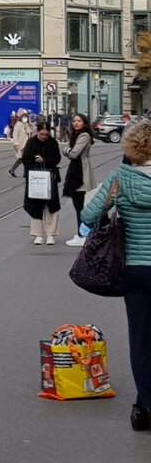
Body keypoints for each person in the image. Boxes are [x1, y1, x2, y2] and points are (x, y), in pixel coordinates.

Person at [78, 120, 151, 432]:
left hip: (134, 270)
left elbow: (88, 215)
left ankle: (145, 406)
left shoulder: (119, 178)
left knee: (141, 339)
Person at [21, 117, 62, 245]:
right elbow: (25, 158)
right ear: (37, 132)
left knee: (51, 206)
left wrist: (44, 160)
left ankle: (51, 234)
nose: (44, 136)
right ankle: (38, 234)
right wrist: (34, 165)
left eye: (46, 134)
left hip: (50, 177)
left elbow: (57, 158)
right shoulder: (31, 142)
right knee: (35, 205)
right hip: (35, 178)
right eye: (41, 134)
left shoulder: (53, 143)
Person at [62, 113, 96, 248]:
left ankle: (83, 234)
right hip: (76, 170)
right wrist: (68, 150)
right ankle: (81, 233)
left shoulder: (84, 136)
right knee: (78, 205)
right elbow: (68, 150)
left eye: (79, 121)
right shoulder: (76, 135)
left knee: (79, 206)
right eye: (74, 121)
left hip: (80, 172)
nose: (76, 123)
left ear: (84, 123)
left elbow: (74, 153)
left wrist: (67, 150)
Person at [9, 108, 34, 177]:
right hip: (21, 144)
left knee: (24, 158)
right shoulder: (18, 125)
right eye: (24, 117)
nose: (25, 119)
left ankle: (15, 170)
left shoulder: (27, 125)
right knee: (24, 158)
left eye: (26, 117)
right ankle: (23, 173)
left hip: (27, 144)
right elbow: (15, 134)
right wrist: (16, 143)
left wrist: (30, 123)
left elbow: (33, 130)